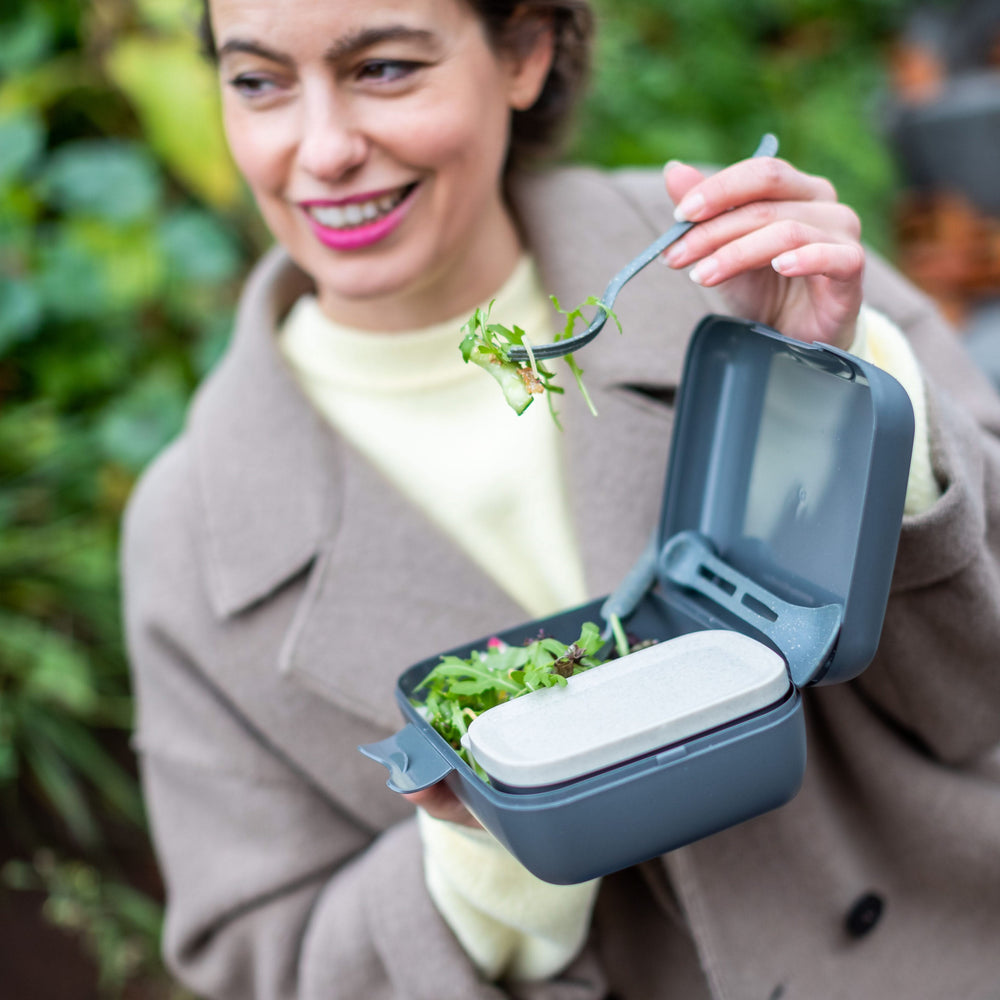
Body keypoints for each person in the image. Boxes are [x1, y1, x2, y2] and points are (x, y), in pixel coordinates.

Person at [121, 0, 1000, 997]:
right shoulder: (191, 534)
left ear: (526, 52)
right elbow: (263, 960)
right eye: (257, 82)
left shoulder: (741, 274)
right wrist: (485, 845)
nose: (321, 149)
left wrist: (833, 390)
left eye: (384, 69)